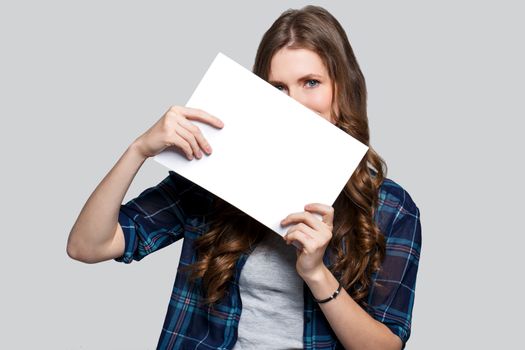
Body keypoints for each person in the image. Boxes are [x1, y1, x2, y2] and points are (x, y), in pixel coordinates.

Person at [67, 5, 421, 350]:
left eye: (310, 82)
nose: (293, 103)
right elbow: (87, 246)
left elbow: (385, 344)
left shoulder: (390, 207)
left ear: (342, 91)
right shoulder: (212, 175)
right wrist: (138, 150)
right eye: (278, 88)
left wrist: (316, 273)